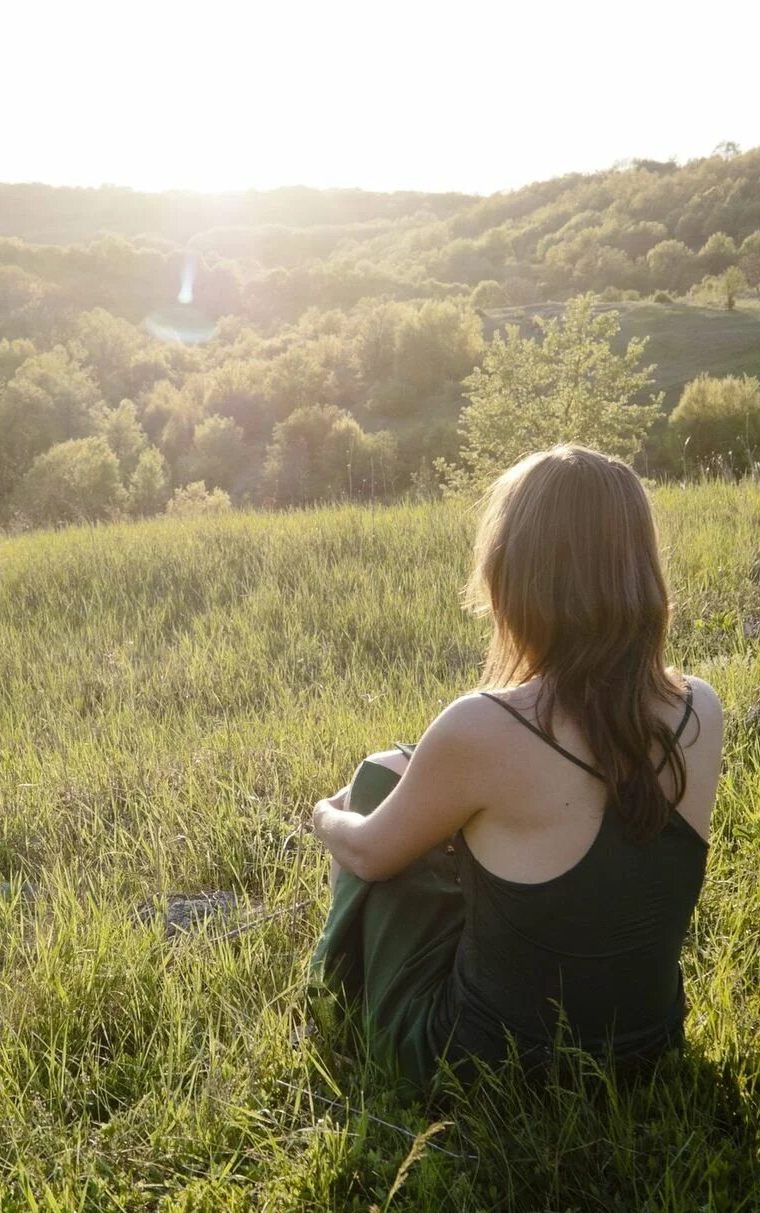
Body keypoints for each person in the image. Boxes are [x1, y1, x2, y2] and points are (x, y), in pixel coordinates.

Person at [308, 445, 724, 1086]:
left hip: (489, 1067)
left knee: (373, 782)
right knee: (410, 780)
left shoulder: (483, 725)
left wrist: (327, 815)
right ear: (641, 570)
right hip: (648, 1048)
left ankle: (330, 1004)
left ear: (514, 573)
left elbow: (367, 855)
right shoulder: (701, 709)